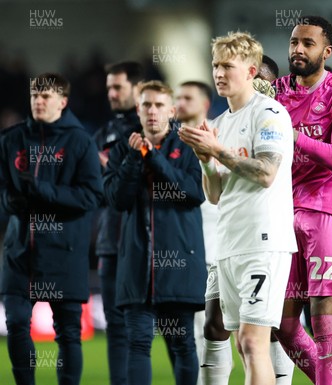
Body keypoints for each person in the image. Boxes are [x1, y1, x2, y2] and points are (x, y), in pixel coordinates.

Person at [178, 32, 296, 385]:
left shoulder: (271, 113)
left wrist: (218, 152)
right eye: (215, 65)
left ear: (251, 70)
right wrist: (204, 162)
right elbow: (215, 194)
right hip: (229, 241)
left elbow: (266, 172)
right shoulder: (220, 124)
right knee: (237, 342)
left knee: (251, 341)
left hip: (263, 240)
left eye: (227, 65)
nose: (218, 73)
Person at [273, 15, 332, 385]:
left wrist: (291, 134)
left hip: (327, 211)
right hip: (281, 213)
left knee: (323, 317)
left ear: (326, 51)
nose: (298, 49)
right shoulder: (275, 91)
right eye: (294, 42)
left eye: (308, 43)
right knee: (282, 324)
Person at [0, 72, 103, 385]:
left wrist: (44, 190)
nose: (39, 101)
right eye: (35, 96)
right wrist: (12, 201)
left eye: (46, 97)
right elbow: (3, 191)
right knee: (17, 323)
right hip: (20, 252)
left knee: (68, 331)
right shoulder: (11, 139)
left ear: (63, 101)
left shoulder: (80, 141)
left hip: (65, 252)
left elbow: (91, 196)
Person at [103, 80, 207, 385]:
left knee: (182, 343)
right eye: (146, 105)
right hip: (137, 265)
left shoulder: (187, 147)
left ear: (172, 110)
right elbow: (117, 200)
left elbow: (192, 193)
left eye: (159, 105)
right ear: (137, 109)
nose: (152, 111)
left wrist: (154, 157)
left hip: (178, 264)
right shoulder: (122, 149)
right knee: (138, 343)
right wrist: (136, 158)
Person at [95, 60, 144, 385]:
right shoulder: (104, 132)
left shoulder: (150, 128)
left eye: (118, 87)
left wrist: (113, 167)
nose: (111, 93)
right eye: (109, 87)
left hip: (142, 242)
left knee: (141, 324)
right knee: (114, 323)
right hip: (110, 240)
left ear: (137, 88)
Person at [174, 79, 215, 385]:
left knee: (251, 328)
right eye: (177, 97)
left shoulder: (219, 135)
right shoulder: (169, 142)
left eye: (187, 97)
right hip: (188, 246)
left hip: (223, 241)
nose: (179, 103)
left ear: (204, 104)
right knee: (199, 324)